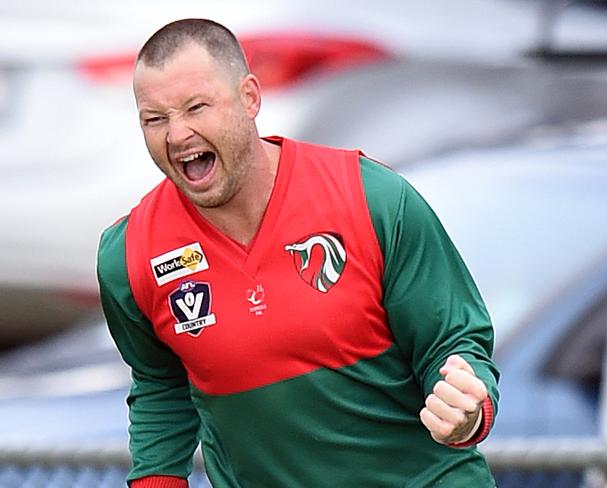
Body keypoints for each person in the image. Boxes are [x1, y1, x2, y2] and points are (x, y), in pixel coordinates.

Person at [97, 18, 500, 488]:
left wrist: (468, 410)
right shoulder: (129, 254)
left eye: (196, 107)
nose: (177, 134)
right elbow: (160, 385)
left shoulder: (371, 197)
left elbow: (453, 340)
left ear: (250, 97)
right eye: (155, 119)